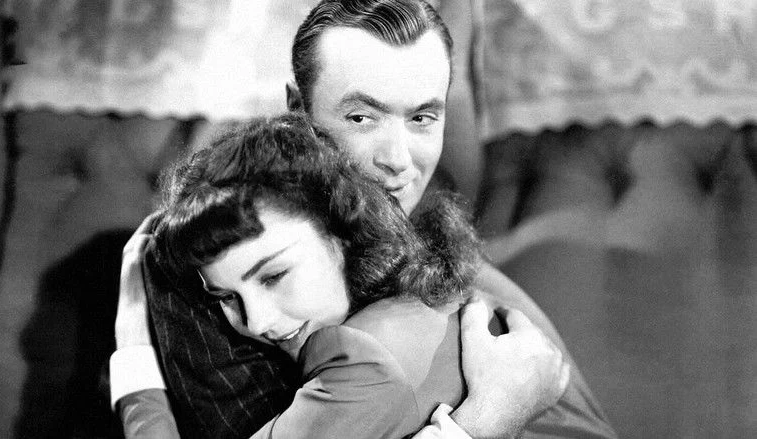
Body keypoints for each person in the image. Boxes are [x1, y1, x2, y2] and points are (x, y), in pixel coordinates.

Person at [117, 0, 616, 437]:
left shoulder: (455, 281)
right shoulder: (214, 257)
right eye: (362, 118)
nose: (398, 160)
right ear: (298, 114)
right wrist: (486, 420)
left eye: (422, 118)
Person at [113, 113, 572, 438]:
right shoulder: (428, 296)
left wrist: (133, 340)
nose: (256, 321)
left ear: (342, 233)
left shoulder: (359, 358)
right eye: (226, 298)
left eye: (274, 276)